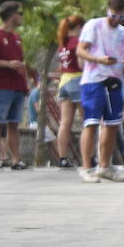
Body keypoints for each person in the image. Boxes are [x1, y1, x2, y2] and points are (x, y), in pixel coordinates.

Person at [75, 0, 124, 183]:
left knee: (112, 125)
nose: (116, 20)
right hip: (94, 80)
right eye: (113, 16)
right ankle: (87, 167)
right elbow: (80, 50)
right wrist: (98, 59)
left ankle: (104, 166)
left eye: (121, 17)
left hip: (115, 80)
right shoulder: (93, 26)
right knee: (91, 123)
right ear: (107, 11)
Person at [0, 1, 29, 170]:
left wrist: (25, 85)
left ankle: (16, 160)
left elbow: (21, 64)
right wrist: (8, 64)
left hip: (18, 87)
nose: (21, 16)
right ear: (12, 15)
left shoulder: (17, 38)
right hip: (1, 87)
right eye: (19, 13)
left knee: (14, 124)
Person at [52, 15, 85, 168]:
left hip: (64, 81)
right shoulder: (77, 43)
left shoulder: (62, 44)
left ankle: (62, 158)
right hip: (77, 80)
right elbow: (81, 64)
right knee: (88, 121)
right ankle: (89, 157)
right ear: (79, 27)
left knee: (65, 122)